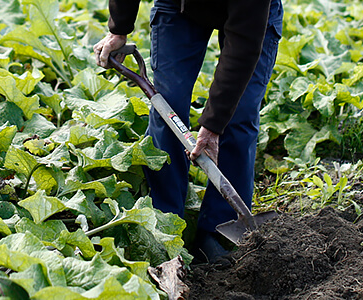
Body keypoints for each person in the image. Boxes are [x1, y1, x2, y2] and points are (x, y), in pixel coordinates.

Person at [94, 0, 283, 265]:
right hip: (178, 7)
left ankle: (218, 231)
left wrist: (213, 125)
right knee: (168, 106)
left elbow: (244, 43)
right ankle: (165, 222)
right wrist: (119, 28)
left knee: (238, 117)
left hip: (251, 14)